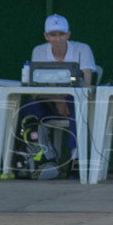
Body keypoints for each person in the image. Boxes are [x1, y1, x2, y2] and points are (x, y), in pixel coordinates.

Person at [22, 14, 96, 169]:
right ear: (46, 36)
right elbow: (34, 91)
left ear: (68, 34)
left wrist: (65, 98)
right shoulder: (39, 51)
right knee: (28, 107)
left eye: (61, 34)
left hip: (74, 102)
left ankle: (76, 159)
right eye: (53, 35)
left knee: (78, 104)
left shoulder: (83, 49)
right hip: (49, 102)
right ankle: (40, 157)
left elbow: (86, 85)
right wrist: (57, 98)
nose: (57, 39)